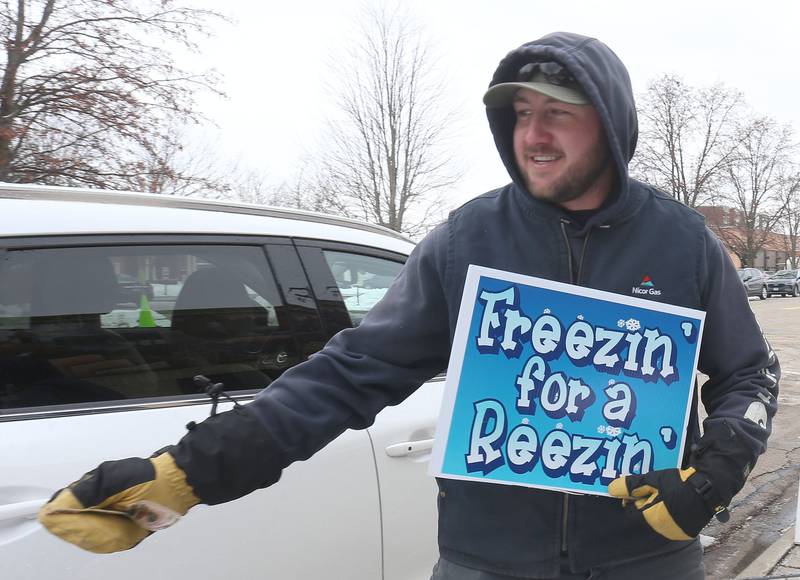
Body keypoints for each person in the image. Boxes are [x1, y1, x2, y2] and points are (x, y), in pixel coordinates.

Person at [39, 32, 779, 579]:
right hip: (487, 561)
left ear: (611, 123)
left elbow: (749, 373)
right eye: (521, 113)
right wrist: (190, 472)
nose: (533, 134)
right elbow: (348, 374)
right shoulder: (467, 240)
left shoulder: (683, 242)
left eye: (559, 111)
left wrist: (713, 477)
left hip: (646, 557)